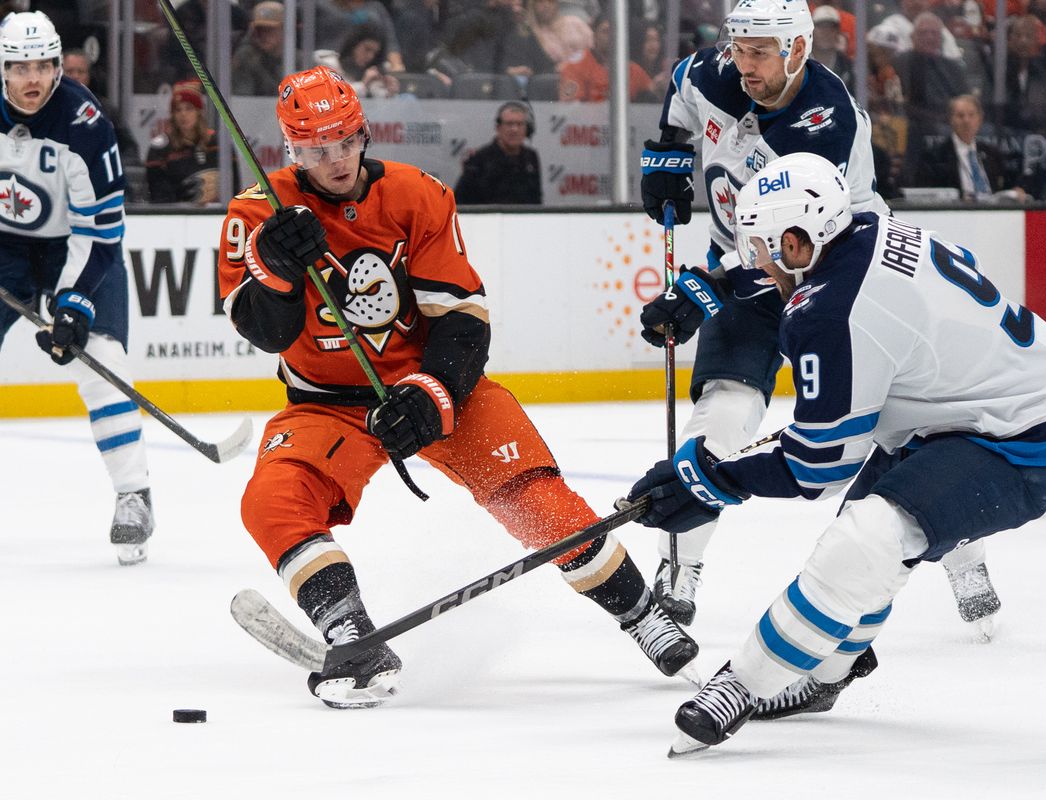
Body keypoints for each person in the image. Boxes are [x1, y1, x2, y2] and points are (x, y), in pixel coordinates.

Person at [216, 66, 694, 708]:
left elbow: (464, 320)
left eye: (342, 142)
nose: (332, 160)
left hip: (435, 386)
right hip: (326, 406)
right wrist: (273, 267)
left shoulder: (418, 195)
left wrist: (432, 392)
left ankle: (641, 613)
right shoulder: (255, 213)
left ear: (363, 133)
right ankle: (351, 631)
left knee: (536, 498)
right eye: (314, 149)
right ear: (292, 150)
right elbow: (266, 333)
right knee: (271, 501)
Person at [625, 152, 1046, 755]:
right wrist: (714, 287)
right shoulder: (865, 228)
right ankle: (826, 675)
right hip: (976, 402)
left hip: (1018, 433)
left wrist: (711, 479)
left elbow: (818, 466)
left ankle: (741, 685)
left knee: (869, 539)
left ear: (798, 243)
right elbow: (814, 294)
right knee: (870, 544)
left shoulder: (828, 313)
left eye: (763, 250)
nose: (758, 263)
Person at [638, 0, 999, 635]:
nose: (743, 65)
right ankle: (683, 564)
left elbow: (795, 246)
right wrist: (667, 153)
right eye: (738, 48)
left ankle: (965, 553)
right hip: (745, 261)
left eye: (759, 52)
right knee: (723, 405)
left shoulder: (823, 124)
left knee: (905, 429)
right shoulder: (714, 72)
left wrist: (703, 292)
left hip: (844, 276)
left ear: (798, 51)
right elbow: (679, 91)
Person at [0, 11, 154, 565]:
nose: (33, 78)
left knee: (99, 359)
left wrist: (74, 304)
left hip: (80, 245)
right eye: (20, 67)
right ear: (3, 67)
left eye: (44, 64)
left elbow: (101, 231)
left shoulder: (86, 124)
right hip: (7, 246)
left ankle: (134, 494)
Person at [912, 94, 1025, 200]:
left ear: (980, 119)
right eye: (960, 116)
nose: (966, 121)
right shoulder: (935, 156)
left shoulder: (992, 153)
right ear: (951, 120)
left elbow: (1007, 186)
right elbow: (927, 194)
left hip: (992, 214)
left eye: (971, 115)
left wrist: (1016, 190)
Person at [144, 80, 219, 205]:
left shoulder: (218, 144)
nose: (183, 114)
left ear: (199, 112)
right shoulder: (160, 149)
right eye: (178, 110)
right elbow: (159, 199)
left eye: (189, 108)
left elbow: (234, 189)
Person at [454, 101, 541, 205]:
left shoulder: (531, 157)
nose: (515, 129)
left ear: (527, 129)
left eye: (519, 124)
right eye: (509, 124)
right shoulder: (479, 159)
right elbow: (460, 201)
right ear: (498, 128)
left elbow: (536, 200)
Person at [559, 15, 655, 102]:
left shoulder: (632, 69)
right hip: (587, 121)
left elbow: (653, 92)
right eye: (605, 31)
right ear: (595, 34)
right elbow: (571, 108)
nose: (611, 36)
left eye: (615, 31)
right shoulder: (575, 66)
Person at [231, 1, 285, 97]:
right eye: (259, 29)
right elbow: (242, 99)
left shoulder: (298, 60)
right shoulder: (246, 58)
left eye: (270, 29)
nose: (263, 35)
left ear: (284, 29)